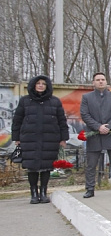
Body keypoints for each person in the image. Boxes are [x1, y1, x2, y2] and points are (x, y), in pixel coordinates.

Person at [11, 75, 69, 204]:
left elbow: (62, 121)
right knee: (31, 167)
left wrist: (63, 138)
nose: (41, 85)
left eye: (43, 83)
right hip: (29, 139)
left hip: (50, 139)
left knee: (46, 166)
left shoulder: (55, 101)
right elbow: (17, 120)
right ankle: (33, 193)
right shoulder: (25, 101)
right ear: (33, 85)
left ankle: (43, 192)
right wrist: (16, 138)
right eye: (38, 83)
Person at [80, 72, 111, 198]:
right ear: (93, 83)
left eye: (103, 79)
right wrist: (98, 127)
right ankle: (90, 189)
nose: (100, 82)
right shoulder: (87, 97)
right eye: (98, 80)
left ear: (106, 82)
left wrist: (108, 127)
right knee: (91, 165)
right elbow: (85, 114)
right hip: (94, 135)